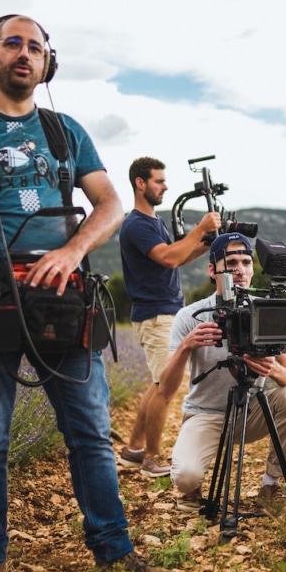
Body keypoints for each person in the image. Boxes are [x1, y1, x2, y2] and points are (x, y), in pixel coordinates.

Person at [0, 14, 178, 572]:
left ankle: (116, 551)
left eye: (35, 47)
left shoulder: (64, 131)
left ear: (47, 63)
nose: (24, 54)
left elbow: (108, 204)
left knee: (88, 431)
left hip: (62, 297)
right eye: (12, 44)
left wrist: (73, 248)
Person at [157, 232, 286, 512]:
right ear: (213, 270)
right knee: (185, 478)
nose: (240, 269)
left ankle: (270, 485)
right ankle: (193, 481)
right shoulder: (190, 316)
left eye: (247, 262)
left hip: (251, 411)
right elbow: (166, 387)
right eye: (232, 262)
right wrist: (186, 347)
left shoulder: (266, 310)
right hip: (206, 413)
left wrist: (271, 368)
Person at [117, 157, 221, 477]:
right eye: (159, 181)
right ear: (140, 183)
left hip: (167, 311)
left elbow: (178, 258)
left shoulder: (153, 222)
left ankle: (134, 449)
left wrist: (206, 245)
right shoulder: (136, 223)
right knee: (166, 385)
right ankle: (152, 458)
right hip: (156, 313)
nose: (165, 187)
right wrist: (200, 227)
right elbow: (168, 257)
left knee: (159, 381)